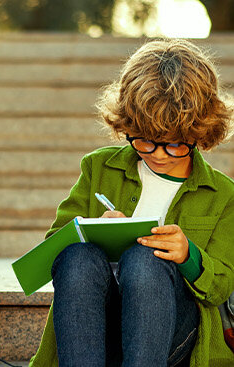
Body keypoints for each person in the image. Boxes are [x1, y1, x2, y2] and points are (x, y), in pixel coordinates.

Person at [28, 38, 234, 367]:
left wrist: (188, 255)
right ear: (127, 126)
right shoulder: (98, 168)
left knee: (145, 258)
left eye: (175, 145)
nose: (158, 155)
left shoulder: (223, 195)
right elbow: (52, 253)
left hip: (172, 338)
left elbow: (221, 287)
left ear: (199, 133)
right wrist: (92, 232)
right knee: (78, 258)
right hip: (98, 330)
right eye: (145, 141)